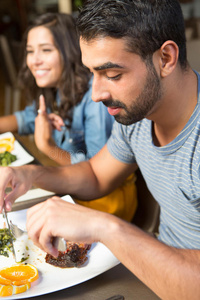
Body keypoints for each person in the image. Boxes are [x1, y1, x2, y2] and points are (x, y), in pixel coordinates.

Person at [0, 0, 199, 298]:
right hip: (149, 268)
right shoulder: (137, 114)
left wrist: (105, 226)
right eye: (92, 73)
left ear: (166, 58)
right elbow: (96, 175)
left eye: (113, 75)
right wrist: (30, 173)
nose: (96, 94)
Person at [0, 12, 137, 222]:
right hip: (73, 189)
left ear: (70, 52)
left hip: (107, 203)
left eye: (46, 50)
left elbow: (95, 171)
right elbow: (29, 117)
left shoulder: (96, 99)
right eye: (30, 51)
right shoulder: (54, 87)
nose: (34, 60)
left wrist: (47, 147)